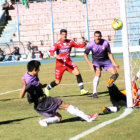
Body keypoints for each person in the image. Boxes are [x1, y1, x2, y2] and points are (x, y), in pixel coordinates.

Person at [20, 60, 98, 127]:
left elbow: (35, 83)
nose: (39, 70)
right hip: (43, 102)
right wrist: (24, 86)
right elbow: (21, 96)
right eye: (38, 69)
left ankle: (44, 121)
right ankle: (88, 117)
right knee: (65, 105)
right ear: (34, 69)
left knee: (59, 117)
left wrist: (41, 85)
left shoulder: (28, 73)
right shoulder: (29, 81)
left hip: (39, 106)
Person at [45, 29, 88, 96]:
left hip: (68, 63)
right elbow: (51, 51)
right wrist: (56, 56)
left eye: (65, 34)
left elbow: (79, 45)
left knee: (77, 72)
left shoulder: (70, 42)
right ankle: (47, 88)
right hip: (60, 65)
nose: (64, 36)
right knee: (57, 82)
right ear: (60, 35)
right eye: (63, 34)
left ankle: (82, 90)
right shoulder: (57, 44)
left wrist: (84, 43)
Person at [84, 31, 119, 98]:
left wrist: (114, 63)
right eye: (96, 36)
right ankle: (94, 93)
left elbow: (109, 53)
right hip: (96, 62)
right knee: (98, 74)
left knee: (115, 74)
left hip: (106, 61)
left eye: (99, 36)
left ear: (101, 36)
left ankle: (109, 84)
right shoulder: (91, 44)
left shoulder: (105, 43)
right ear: (94, 37)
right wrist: (90, 63)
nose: (98, 38)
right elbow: (85, 54)